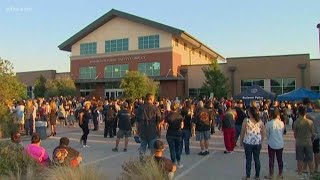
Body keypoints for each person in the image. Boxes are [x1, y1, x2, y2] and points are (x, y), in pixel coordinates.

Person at [240, 106, 266, 180]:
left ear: (250, 113)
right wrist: (261, 140)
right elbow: (263, 132)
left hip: (248, 142)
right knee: (257, 159)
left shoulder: (246, 120)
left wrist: (241, 141)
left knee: (248, 160)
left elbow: (242, 131)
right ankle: (257, 176)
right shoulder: (260, 121)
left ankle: (248, 176)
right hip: (257, 143)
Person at [293, 105, 315, 176]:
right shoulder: (310, 122)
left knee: (300, 159)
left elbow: (295, 134)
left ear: (298, 112)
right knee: (310, 159)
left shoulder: (296, 122)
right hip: (308, 142)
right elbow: (313, 133)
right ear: (305, 113)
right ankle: (311, 172)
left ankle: (300, 172)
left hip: (299, 142)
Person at [265, 108, 285, 179]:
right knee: (280, 159)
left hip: (271, 143)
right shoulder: (282, 123)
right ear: (278, 115)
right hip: (280, 143)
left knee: (271, 159)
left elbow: (267, 134)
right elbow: (282, 132)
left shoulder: (269, 123)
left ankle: (271, 174)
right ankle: (280, 173)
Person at [165, 101, 184, 168]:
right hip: (178, 133)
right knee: (177, 148)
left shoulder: (168, 115)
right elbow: (182, 126)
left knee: (172, 149)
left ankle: (173, 163)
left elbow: (166, 126)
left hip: (170, 133)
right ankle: (178, 162)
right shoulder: (180, 116)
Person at [308, 101, 320, 172]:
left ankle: (309, 168)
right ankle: (316, 168)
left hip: (311, 135)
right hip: (318, 135)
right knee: (317, 152)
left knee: (310, 152)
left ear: (314, 105)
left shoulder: (309, 115)